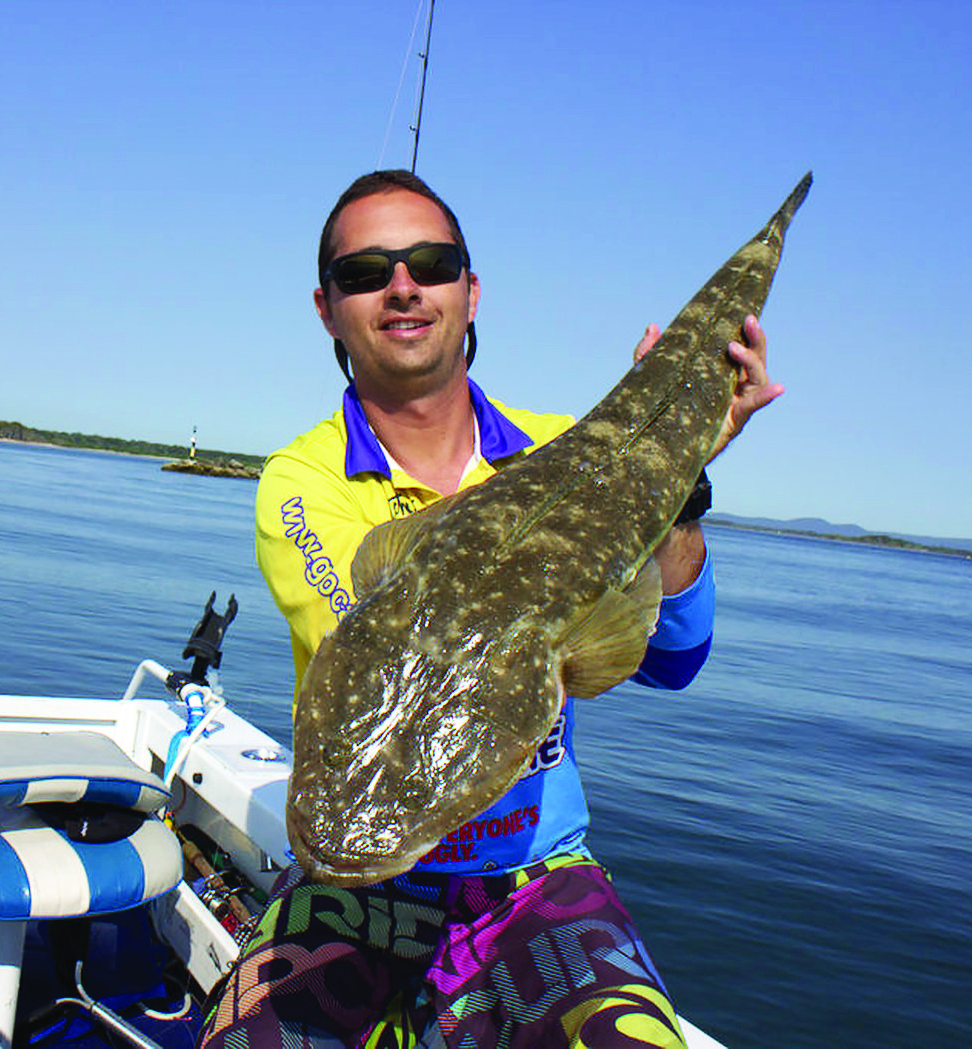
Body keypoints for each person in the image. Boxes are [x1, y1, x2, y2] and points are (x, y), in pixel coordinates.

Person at [198, 170, 781, 1049]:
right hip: (350, 887)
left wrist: (673, 481)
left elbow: (674, 655)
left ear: (470, 292)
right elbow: (389, 657)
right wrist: (601, 507)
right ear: (327, 308)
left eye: (430, 263)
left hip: (537, 878)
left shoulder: (566, 449)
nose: (402, 285)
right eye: (367, 272)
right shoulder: (304, 480)